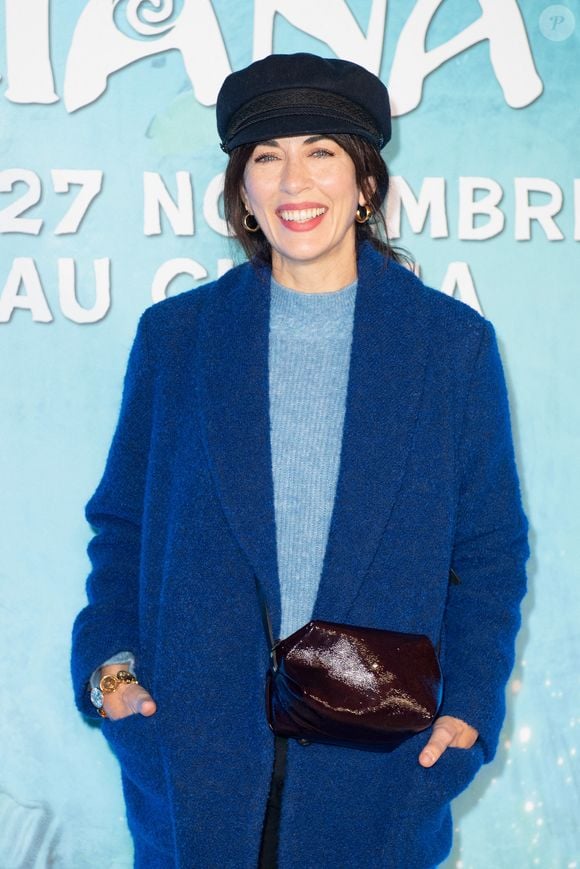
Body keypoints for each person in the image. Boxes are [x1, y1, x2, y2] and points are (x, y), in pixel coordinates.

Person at [71, 53, 530, 868]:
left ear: (365, 183)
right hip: (193, 768)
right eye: (266, 156)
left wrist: (470, 708)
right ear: (241, 191)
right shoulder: (176, 341)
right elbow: (122, 527)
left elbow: (489, 555)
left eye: (321, 150)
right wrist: (111, 673)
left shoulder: (451, 347)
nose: (294, 181)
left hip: (379, 777)